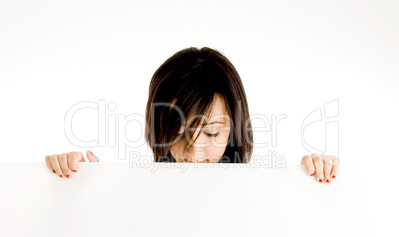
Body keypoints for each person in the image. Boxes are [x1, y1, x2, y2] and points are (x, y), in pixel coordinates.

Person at [45, 46, 340, 183]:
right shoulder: (139, 192)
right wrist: (81, 183)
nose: (196, 153)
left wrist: (311, 176)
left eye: (212, 133)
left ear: (234, 132)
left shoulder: (259, 194)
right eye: (178, 130)